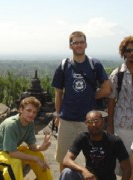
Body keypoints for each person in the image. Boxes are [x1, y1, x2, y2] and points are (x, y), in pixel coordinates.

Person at [52, 31, 111, 171]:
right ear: (70, 46)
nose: (79, 45)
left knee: (92, 159)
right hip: (67, 119)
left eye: (81, 42)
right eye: (75, 42)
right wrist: (58, 114)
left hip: (89, 121)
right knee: (63, 159)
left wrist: (90, 96)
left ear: (86, 44)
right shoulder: (64, 65)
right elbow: (58, 93)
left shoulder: (94, 64)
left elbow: (107, 88)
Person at [0, 97, 53, 180]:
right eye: (28, 110)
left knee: (38, 154)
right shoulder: (11, 124)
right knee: (15, 163)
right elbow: (13, 153)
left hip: (9, 150)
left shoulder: (30, 123)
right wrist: (35, 159)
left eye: (34, 112)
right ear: (21, 110)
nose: (31, 114)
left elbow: (32, 146)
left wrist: (42, 147)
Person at [59, 110, 131, 180]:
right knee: (67, 172)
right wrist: (84, 171)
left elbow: (127, 169)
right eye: (90, 122)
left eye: (96, 121)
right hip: (89, 178)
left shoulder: (115, 141)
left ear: (103, 121)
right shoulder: (83, 138)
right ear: (86, 124)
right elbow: (66, 160)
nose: (94, 125)